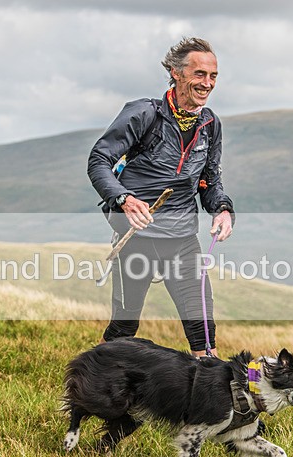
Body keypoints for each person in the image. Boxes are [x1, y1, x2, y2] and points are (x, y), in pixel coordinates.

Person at [88, 37, 235, 357]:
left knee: (204, 333)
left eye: (213, 76)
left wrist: (222, 209)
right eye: (199, 74)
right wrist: (123, 199)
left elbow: (209, 180)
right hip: (136, 238)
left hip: (182, 241)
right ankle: (92, 383)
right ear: (176, 73)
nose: (207, 83)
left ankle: (207, 405)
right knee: (124, 329)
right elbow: (98, 161)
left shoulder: (210, 124)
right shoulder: (144, 115)